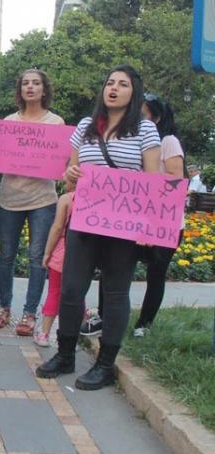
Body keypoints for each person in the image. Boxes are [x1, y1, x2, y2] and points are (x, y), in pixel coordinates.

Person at [36, 65, 160, 391]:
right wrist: (71, 176)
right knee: (73, 289)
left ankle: (105, 365)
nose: (114, 88)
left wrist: (148, 227)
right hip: (86, 219)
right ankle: (65, 355)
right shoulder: (87, 128)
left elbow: (153, 182)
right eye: (110, 83)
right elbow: (70, 174)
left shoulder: (145, 130)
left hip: (124, 225)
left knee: (115, 292)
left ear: (134, 93)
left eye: (123, 84)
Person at [87, 94, 186, 339]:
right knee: (112, 267)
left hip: (162, 221)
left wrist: (146, 187)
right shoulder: (128, 139)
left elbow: (176, 179)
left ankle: (144, 324)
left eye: (141, 114)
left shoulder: (168, 141)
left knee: (156, 272)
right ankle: (103, 315)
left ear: (157, 117)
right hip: (130, 219)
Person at [0, 69, 64, 336]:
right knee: (6, 255)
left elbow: (60, 162)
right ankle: (3, 308)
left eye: (36, 83)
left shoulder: (56, 123)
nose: (30, 88)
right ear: (20, 90)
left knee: (36, 257)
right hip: (10, 197)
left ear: (45, 89)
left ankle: (30, 313)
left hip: (42, 199)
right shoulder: (9, 121)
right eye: (25, 84)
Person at [37, 192, 74, 347]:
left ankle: (44, 334)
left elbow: (58, 227)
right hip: (84, 256)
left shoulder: (66, 199)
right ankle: (75, 331)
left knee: (54, 292)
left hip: (62, 253)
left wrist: (47, 253)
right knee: (77, 295)